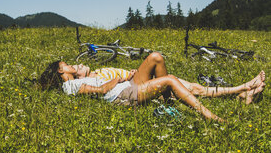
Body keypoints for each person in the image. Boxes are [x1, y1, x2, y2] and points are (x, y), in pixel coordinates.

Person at [39, 52, 265, 122]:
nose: (69, 65)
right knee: (170, 80)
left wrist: (124, 77)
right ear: (61, 71)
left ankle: (168, 101)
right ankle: (212, 118)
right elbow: (99, 91)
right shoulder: (69, 87)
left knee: (155, 57)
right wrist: (115, 81)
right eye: (66, 64)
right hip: (123, 93)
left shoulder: (82, 77)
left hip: (126, 84)